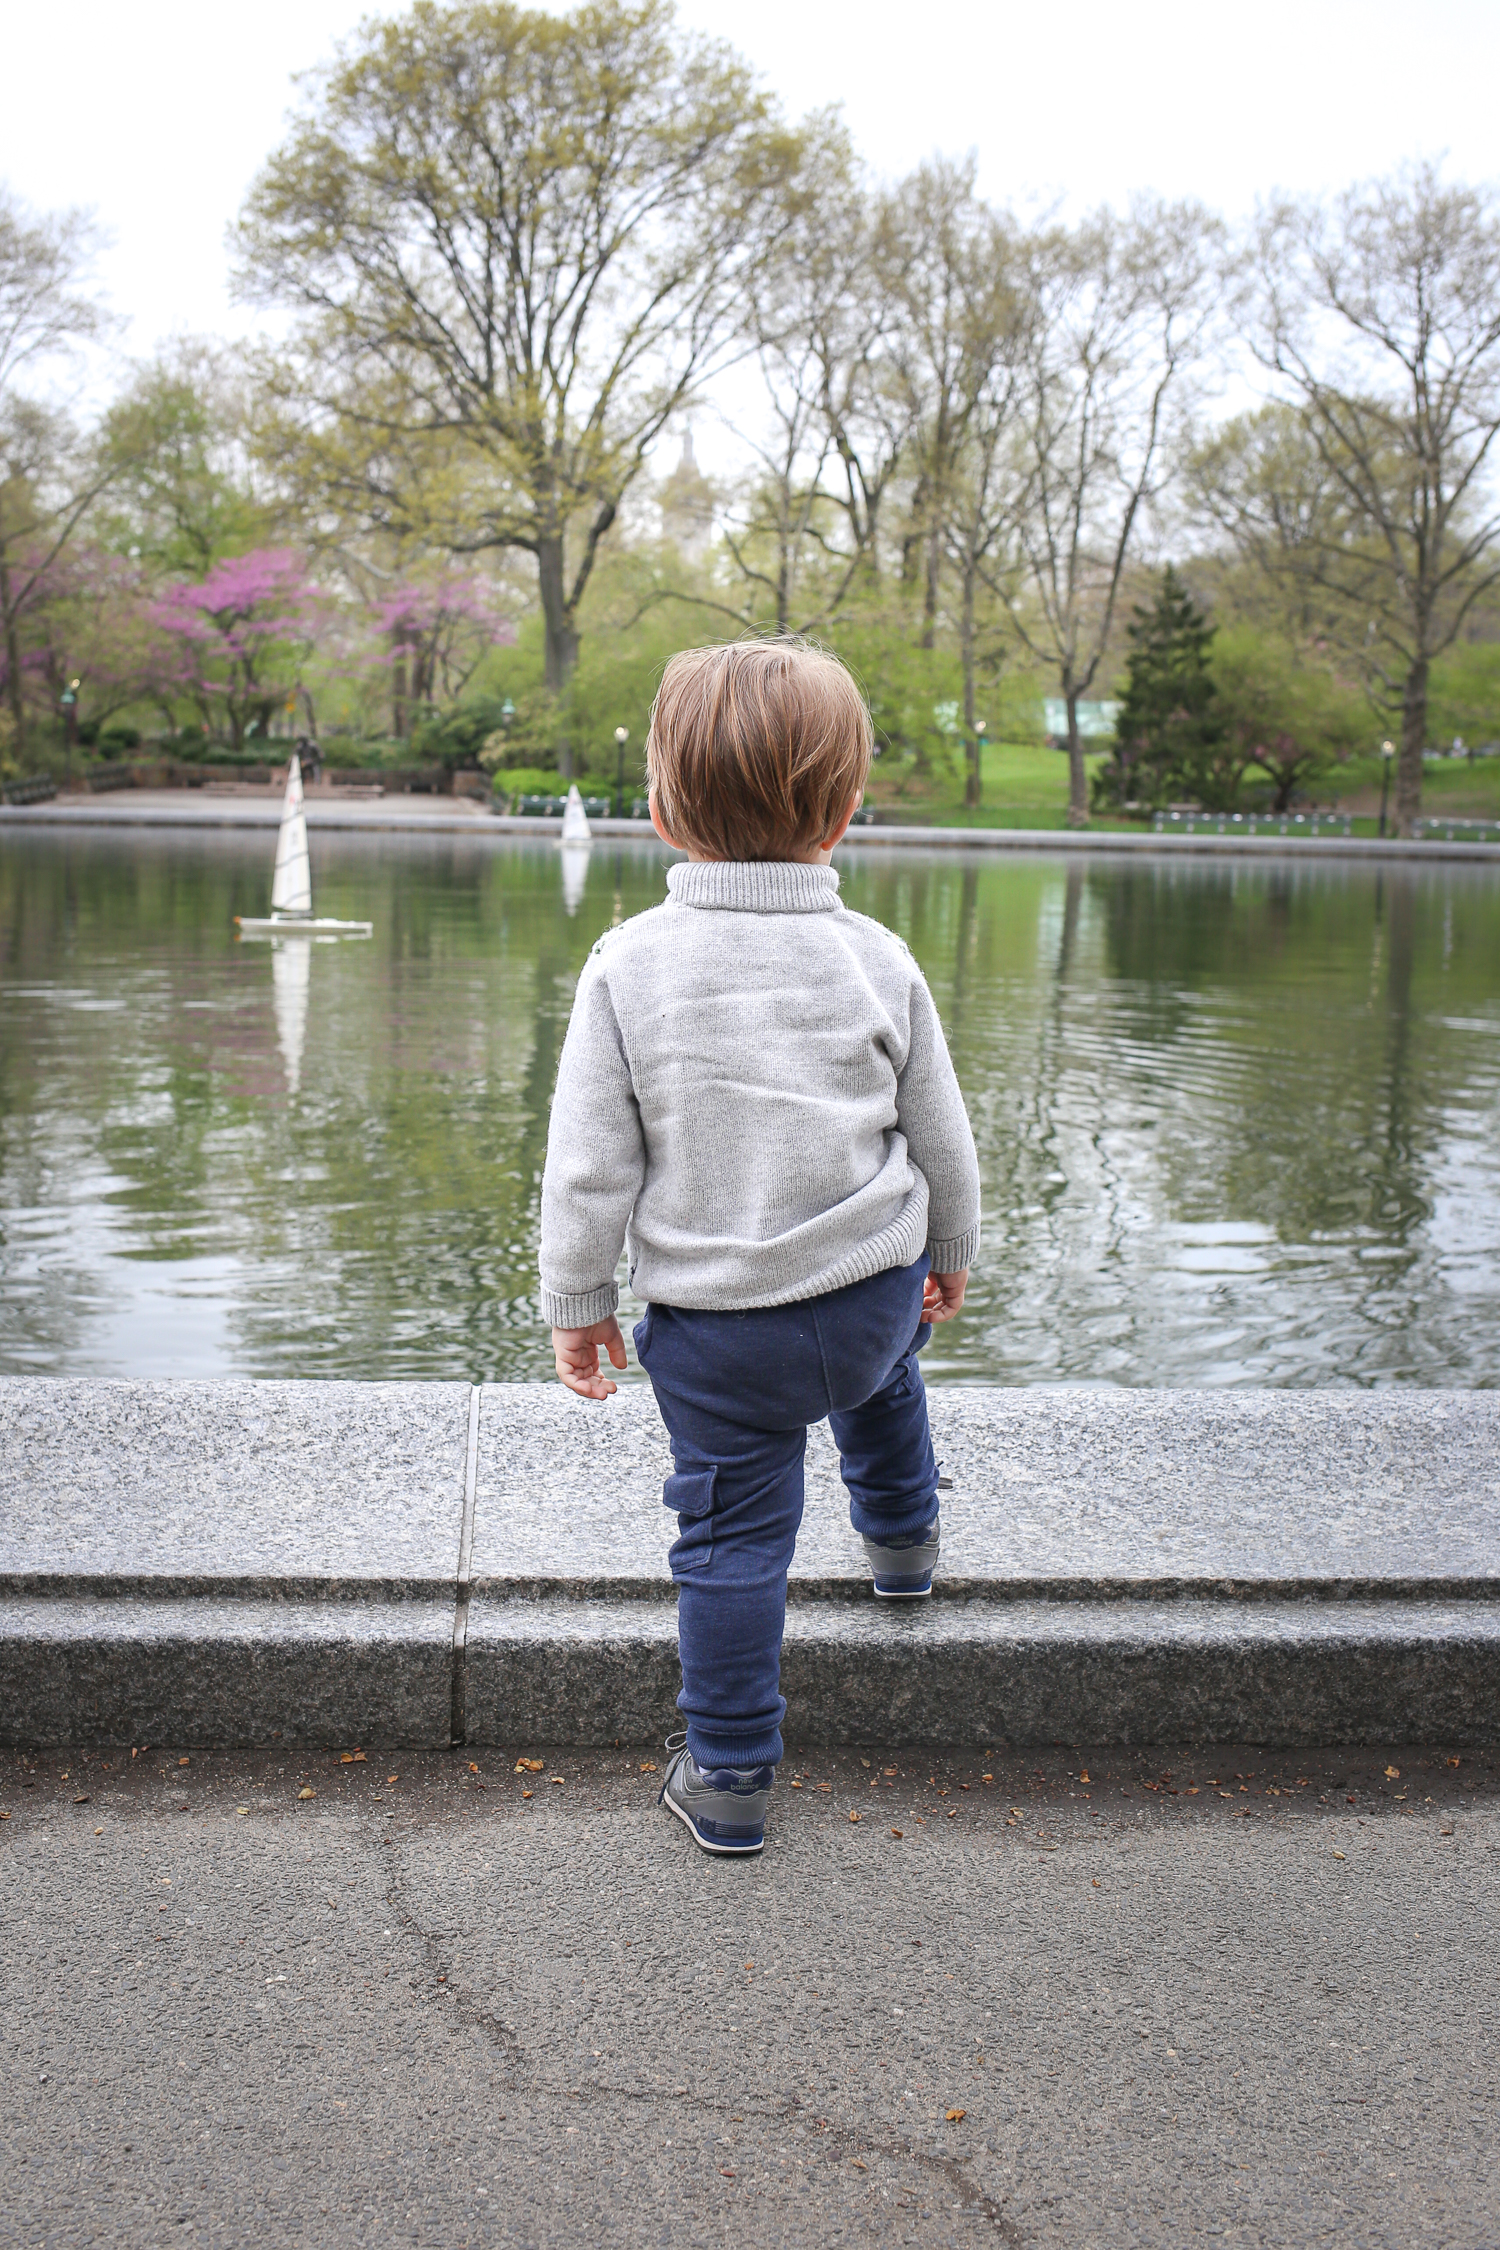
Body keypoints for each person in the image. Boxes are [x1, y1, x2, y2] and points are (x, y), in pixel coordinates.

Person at [539, 639, 981, 1857]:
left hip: (718, 1336)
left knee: (732, 1541)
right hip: (870, 1296)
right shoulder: (876, 958)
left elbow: (589, 1164)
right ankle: (903, 1544)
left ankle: (730, 1775)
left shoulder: (627, 965)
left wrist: (580, 1298)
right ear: (844, 810)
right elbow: (942, 1134)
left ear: (662, 807)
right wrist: (949, 1248)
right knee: (888, 1377)